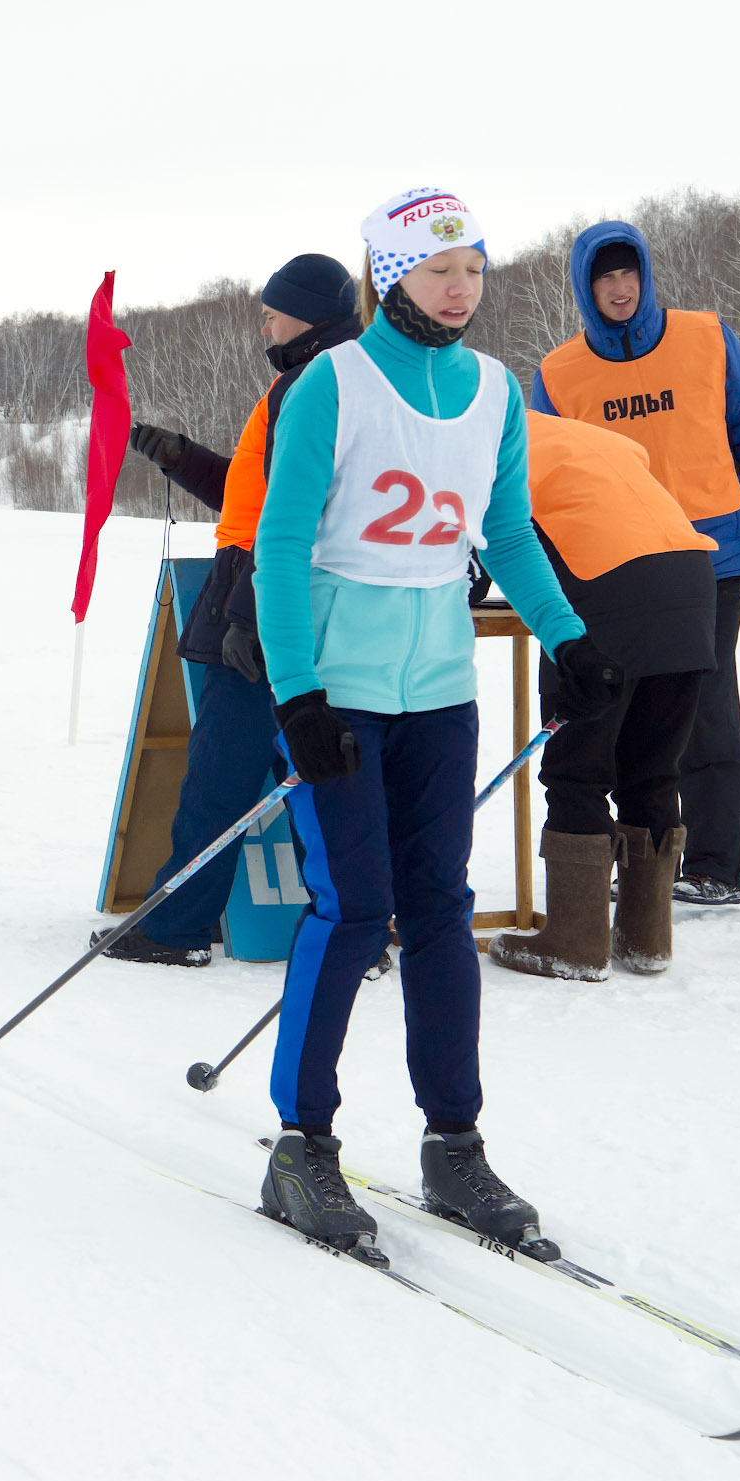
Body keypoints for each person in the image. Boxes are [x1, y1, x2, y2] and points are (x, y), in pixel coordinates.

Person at [248, 188, 622, 1263]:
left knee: (440, 912)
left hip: (438, 691)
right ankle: (301, 1144)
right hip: (338, 688)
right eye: (438, 269)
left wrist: (567, 636)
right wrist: (297, 692)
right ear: (389, 274)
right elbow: (281, 546)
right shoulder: (334, 383)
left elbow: (503, 525)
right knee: (354, 909)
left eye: (475, 270)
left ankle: (451, 1144)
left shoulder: (493, 389)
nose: (461, 290)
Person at [528, 223, 740, 907]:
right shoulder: (559, 372)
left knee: (702, 712)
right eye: (603, 277)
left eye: (627, 273)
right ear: (584, 288)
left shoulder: (704, 339)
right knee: (613, 713)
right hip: (603, 568)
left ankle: (714, 865)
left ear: (646, 275)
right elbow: (536, 471)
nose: (619, 287)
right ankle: (628, 861)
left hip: (708, 559)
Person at [99, 254, 360, 967]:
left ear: (307, 314)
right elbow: (257, 497)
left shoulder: (313, 385)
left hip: (266, 600)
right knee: (325, 768)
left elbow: (295, 521)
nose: (263, 322)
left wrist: (249, 613)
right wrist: (180, 458)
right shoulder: (311, 382)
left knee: (224, 770)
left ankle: (178, 925)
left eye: (273, 310)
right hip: (277, 594)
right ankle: (356, 925)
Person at [484, 413, 718, 980]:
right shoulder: (591, 436)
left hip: (604, 589)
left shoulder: (485, 439)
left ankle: (574, 940)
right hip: (690, 586)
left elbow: (485, 532)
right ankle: (646, 939)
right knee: (653, 767)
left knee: (577, 768)